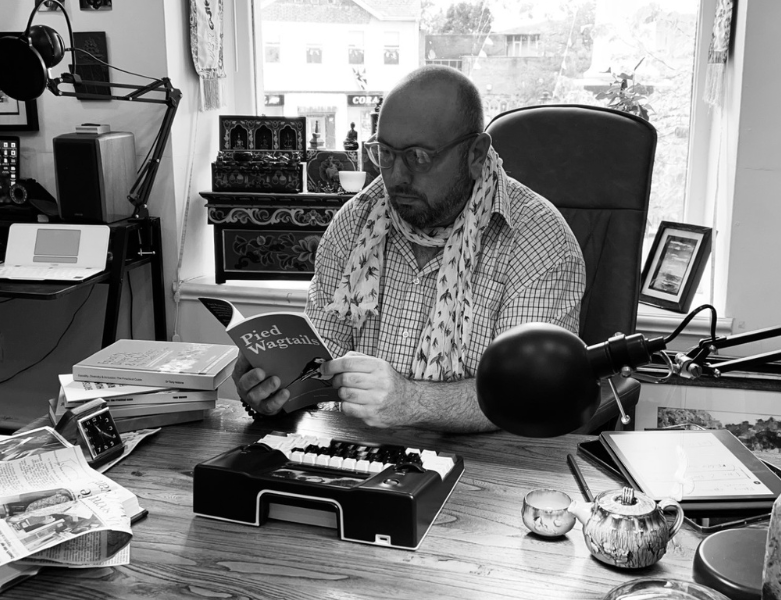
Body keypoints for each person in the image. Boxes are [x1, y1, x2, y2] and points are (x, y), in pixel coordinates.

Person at [234, 65, 585, 433]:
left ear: (476, 154)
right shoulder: (355, 223)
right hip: (356, 455)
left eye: (418, 157)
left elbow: (529, 396)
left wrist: (412, 401)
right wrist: (274, 390)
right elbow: (319, 371)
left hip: (484, 470)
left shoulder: (540, 242)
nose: (396, 176)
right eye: (385, 154)